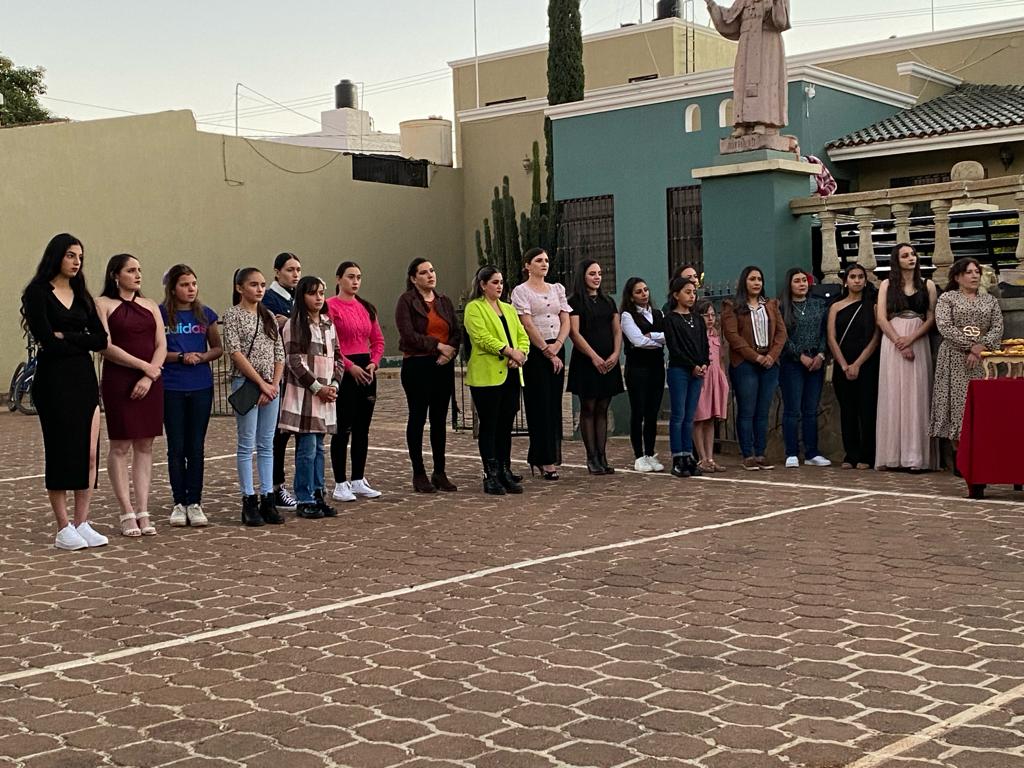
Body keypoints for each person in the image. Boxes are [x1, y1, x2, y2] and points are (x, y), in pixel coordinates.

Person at [21, 234, 109, 551]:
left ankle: (82, 521)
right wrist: (77, 338)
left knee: (89, 451)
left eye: (80, 257)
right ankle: (63, 527)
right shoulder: (37, 293)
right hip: (54, 380)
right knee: (61, 452)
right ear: (57, 255)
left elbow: (100, 340)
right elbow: (47, 340)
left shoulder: (82, 295)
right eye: (71, 255)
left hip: (83, 378)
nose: (76, 262)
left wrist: (68, 336)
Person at [95, 254, 167, 538]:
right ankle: (126, 511)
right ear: (116, 275)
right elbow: (105, 345)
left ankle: (143, 509)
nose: (138, 275)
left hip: (151, 380)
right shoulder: (103, 304)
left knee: (145, 444)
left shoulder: (150, 306)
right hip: (120, 379)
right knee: (121, 444)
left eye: (139, 270)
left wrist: (150, 375)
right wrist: (142, 367)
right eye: (131, 270)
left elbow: (161, 344)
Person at [161, 264, 222, 527]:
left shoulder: (206, 314)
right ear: (173, 288)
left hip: (200, 386)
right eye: (185, 285)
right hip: (171, 386)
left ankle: (194, 501)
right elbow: (155, 351)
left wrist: (201, 357)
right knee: (176, 447)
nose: (191, 289)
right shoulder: (161, 315)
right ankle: (179, 502)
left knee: (195, 447)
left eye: (194, 284)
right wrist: (180, 357)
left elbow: (217, 348)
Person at [223, 267, 285, 526]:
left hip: (271, 387)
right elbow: (235, 352)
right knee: (246, 443)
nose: (259, 289)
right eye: (253, 284)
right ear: (240, 288)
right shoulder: (233, 315)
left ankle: (268, 497)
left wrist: (273, 384)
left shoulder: (267, 315)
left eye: (262, 285)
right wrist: (260, 384)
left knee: (267, 443)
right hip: (246, 384)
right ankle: (248, 499)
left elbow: (279, 352)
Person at [280, 276, 345, 519]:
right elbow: (294, 360)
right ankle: (304, 498)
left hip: (326, 396)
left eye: (321, 293)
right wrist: (318, 387)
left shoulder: (328, 323)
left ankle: (319, 494)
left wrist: (334, 384)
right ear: (302, 296)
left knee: (319, 448)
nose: (318, 298)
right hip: (305, 396)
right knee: (306, 449)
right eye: (312, 293)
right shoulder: (295, 324)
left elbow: (338, 357)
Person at [395, 258, 461, 493]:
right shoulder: (406, 301)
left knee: (439, 420)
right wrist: (438, 346)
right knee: (418, 417)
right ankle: (419, 473)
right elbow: (408, 334)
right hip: (417, 365)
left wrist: (449, 352)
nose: (430, 275)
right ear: (414, 278)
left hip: (442, 365)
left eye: (432, 270)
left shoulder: (444, 301)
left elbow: (456, 331)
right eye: (423, 273)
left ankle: (439, 472)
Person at [464, 265, 530, 495]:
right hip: (487, 376)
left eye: (501, 282)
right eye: (494, 282)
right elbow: (481, 338)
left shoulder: (508, 309)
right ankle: (490, 473)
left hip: (511, 373)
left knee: (505, 425)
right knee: (489, 425)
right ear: (483, 285)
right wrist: (508, 351)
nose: (499, 286)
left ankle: (504, 469)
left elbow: (522, 335)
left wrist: (521, 354)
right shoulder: (474, 308)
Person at [930, 257, 1004, 450]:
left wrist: (981, 346)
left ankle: (980, 452)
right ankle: (959, 454)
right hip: (954, 358)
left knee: (981, 404)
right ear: (957, 277)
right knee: (958, 405)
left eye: (977, 272)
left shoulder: (990, 300)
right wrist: (970, 346)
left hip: (983, 360)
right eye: (969, 272)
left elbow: (997, 327)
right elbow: (944, 326)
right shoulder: (947, 298)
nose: (974, 276)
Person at [876, 243, 938, 471]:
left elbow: (931, 317)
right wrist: (899, 342)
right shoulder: (887, 285)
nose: (911, 258)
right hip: (892, 340)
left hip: (918, 338)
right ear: (897, 260)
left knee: (917, 395)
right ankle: (892, 455)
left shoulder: (928, 285)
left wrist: (911, 339)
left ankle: (916, 457)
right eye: (905, 255)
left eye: (913, 254)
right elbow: (881, 318)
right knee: (893, 395)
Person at [327, 261, 385, 502]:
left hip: (367, 370)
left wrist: (374, 363)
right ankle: (340, 482)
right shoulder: (330, 306)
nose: (355, 281)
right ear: (339, 278)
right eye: (350, 276)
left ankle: (358, 479)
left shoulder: (366, 308)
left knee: (363, 428)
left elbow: (378, 340)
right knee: (343, 427)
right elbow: (331, 344)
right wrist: (350, 367)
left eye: (358, 277)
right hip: (345, 371)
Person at [511, 248, 571, 480]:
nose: (544, 264)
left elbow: (565, 318)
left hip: (557, 346)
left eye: (546, 260)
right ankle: (543, 458)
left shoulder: (557, 289)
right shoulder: (521, 291)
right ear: (528, 265)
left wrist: (558, 344)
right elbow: (526, 323)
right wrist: (546, 350)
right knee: (539, 404)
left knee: (554, 404)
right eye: (538, 260)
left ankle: (551, 454)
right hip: (536, 351)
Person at [722, 265, 787, 470]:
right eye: (752, 279)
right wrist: (756, 357)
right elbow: (733, 337)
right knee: (747, 410)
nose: (757, 282)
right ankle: (747, 454)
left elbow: (781, 334)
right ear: (744, 282)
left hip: (769, 364)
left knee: (763, 411)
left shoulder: (771, 305)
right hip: (745, 364)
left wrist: (771, 356)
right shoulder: (732, 307)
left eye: (759, 279)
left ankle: (760, 453)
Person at [568, 260, 624, 475]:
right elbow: (575, 333)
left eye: (599, 273)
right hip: (586, 362)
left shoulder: (608, 301)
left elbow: (617, 330)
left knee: (603, 408)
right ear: (583, 276)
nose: (597, 277)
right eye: (592, 273)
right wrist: (593, 357)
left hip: (609, 361)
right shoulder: (575, 301)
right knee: (589, 407)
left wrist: (616, 354)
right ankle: (591, 457)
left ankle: (602, 456)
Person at [705, 0, 791, 137]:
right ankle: (742, 123)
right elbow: (730, 24)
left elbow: (781, 22)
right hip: (746, 44)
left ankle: (763, 122)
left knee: (765, 82)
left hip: (766, 42)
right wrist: (711, 4)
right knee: (742, 83)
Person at [827, 264, 881, 470]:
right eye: (852, 277)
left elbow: (876, 337)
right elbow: (831, 338)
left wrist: (857, 364)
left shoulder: (872, 306)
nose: (857, 280)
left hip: (866, 364)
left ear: (865, 281)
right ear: (845, 281)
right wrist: (843, 364)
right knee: (847, 411)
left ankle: (867, 455)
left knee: (867, 410)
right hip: (842, 364)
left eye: (860, 277)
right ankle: (850, 454)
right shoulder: (835, 307)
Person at [778, 267, 831, 468]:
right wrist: (799, 355)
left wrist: (821, 354)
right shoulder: (782, 307)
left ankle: (812, 453)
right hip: (792, 363)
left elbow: (825, 332)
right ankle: (791, 452)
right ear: (789, 284)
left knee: (810, 409)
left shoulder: (818, 304)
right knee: (792, 409)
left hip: (816, 361)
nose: (802, 284)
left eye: (804, 280)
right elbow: (782, 336)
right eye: (797, 281)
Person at [262, 252, 302, 513]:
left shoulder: (299, 297)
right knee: (279, 433)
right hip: (279, 371)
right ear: (277, 272)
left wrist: (290, 322)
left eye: (298, 270)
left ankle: (303, 484)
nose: (295, 274)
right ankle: (276, 486)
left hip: (300, 372)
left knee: (300, 430)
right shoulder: (269, 299)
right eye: (290, 270)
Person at [619, 277, 666, 473]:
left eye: (645, 290)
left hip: (657, 368)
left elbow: (669, 335)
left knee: (652, 412)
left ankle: (650, 453)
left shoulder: (658, 313)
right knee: (638, 411)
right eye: (638, 291)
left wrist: (653, 336)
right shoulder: (627, 316)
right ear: (631, 296)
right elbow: (637, 341)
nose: (644, 294)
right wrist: (657, 341)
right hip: (637, 369)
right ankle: (639, 455)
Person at [664, 278, 710, 478]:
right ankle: (678, 457)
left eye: (693, 292)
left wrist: (704, 363)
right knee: (679, 415)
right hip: (680, 371)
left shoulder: (697, 319)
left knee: (690, 416)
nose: (692, 296)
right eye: (687, 292)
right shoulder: (670, 319)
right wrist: (691, 366)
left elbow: (704, 344)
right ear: (676, 295)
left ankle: (689, 455)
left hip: (697, 371)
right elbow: (675, 347)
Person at [693, 298, 730, 473]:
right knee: (699, 418)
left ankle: (710, 457)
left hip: (715, 377)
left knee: (710, 419)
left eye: (713, 315)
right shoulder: (696, 335)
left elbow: (720, 358)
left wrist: (722, 377)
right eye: (705, 315)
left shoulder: (715, 334)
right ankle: (701, 458)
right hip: (702, 378)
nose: (710, 318)